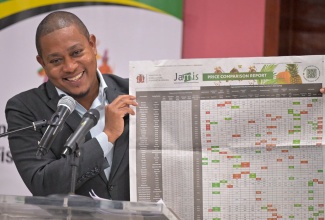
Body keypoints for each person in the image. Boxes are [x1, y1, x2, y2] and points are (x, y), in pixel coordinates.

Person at [5, 11, 137, 201]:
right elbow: (43, 185)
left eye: (77, 53)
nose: (70, 67)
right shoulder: (24, 109)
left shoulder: (134, 91)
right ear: (42, 63)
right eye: (56, 60)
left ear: (92, 45)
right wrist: (107, 137)